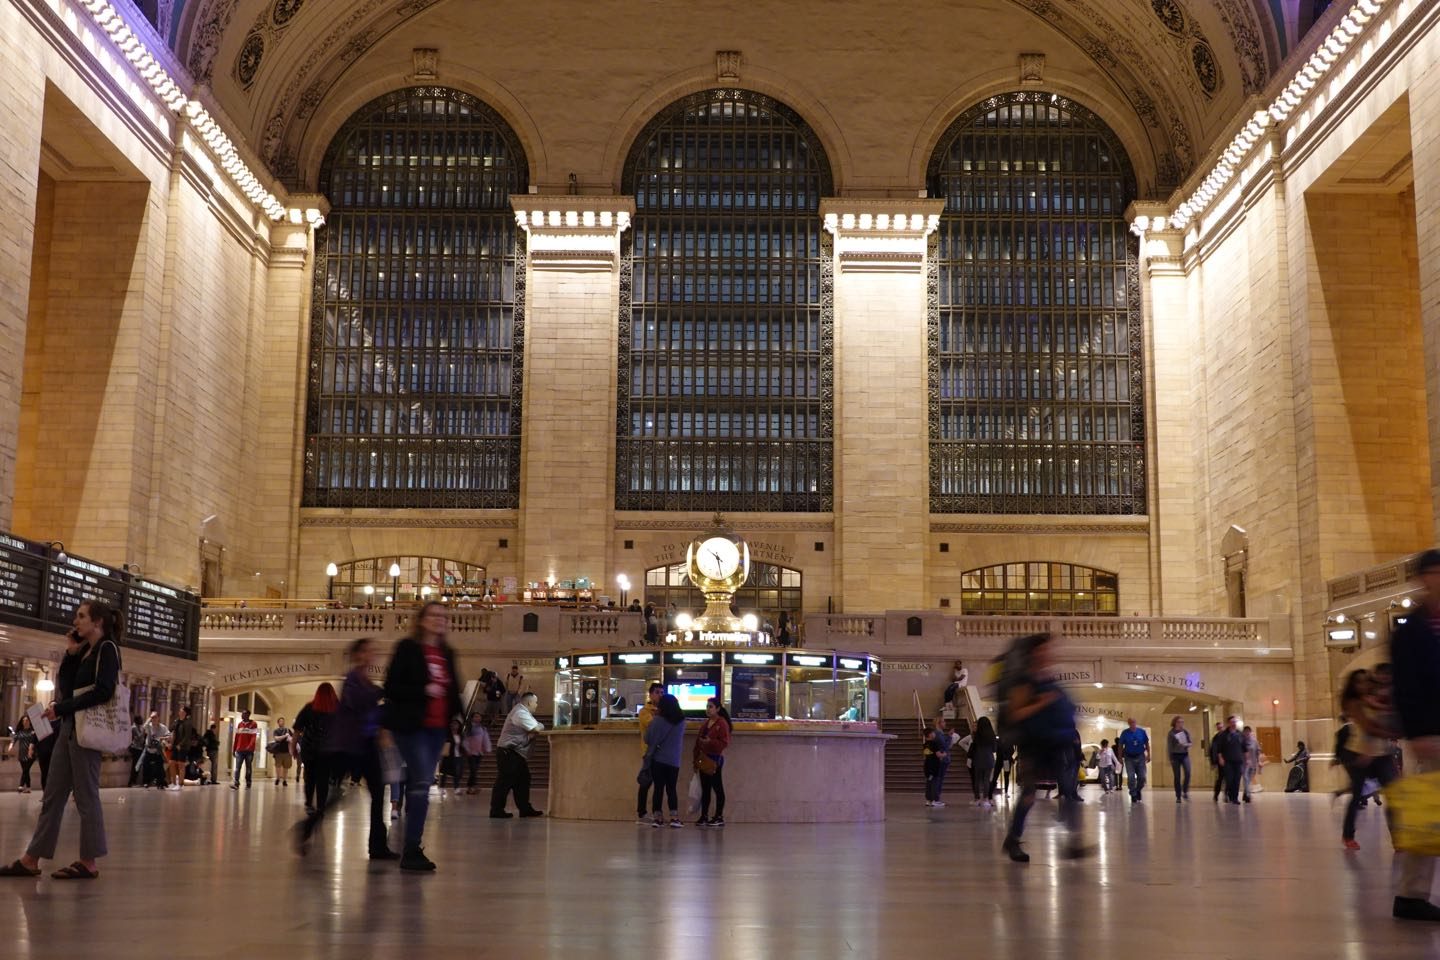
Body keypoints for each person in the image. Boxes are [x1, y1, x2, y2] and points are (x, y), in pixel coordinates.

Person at [0, 600, 123, 880]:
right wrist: (70, 652)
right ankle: (31, 859)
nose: (76, 621)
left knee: (86, 795)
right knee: (53, 795)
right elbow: (67, 689)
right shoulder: (87, 650)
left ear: (98, 622)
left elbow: (103, 692)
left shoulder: (108, 649)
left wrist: (63, 708)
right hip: (69, 728)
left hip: (86, 731)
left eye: (81, 616)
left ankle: (88, 862)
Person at [384, 601, 463, 871]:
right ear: (421, 620)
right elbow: (392, 687)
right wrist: (424, 690)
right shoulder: (408, 649)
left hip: (436, 729)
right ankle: (412, 848)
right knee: (419, 784)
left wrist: (457, 717)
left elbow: (454, 688)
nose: (439, 619)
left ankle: (412, 847)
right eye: (434, 615)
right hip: (412, 726)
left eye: (443, 615)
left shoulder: (446, 652)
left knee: (422, 785)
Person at [998, 632, 1088, 863]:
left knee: (1068, 791)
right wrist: (1041, 703)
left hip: (1058, 745)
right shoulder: (1025, 682)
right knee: (1029, 795)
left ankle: (1075, 842)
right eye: (1044, 649)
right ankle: (1013, 839)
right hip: (1034, 745)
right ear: (1033, 653)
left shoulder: (1048, 679)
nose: (1049, 653)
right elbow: (1015, 714)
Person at [1337, 668, 1397, 849]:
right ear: (1353, 685)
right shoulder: (1353, 703)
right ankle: (1348, 835)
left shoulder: (1373, 699)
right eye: (1358, 682)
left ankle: (1398, 837)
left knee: (1394, 795)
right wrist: (1390, 732)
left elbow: (1387, 713)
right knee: (1356, 796)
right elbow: (1368, 727)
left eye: (1365, 680)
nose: (1363, 685)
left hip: (1381, 753)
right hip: (1359, 753)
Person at [491, 691, 545, 819]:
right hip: (508, 753)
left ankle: (525, 808)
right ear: (529, 702)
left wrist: (537, 728)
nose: (537, 705)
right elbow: (536, 728)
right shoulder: (519, 713)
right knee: (504, 782)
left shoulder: (525, 713)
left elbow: (537, 727)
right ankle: (496, 810)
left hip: (515, 753)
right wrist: (537, 728)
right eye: (535, 702)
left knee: (523, 780)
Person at [294, 684, 339, 816]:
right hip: (327, 749)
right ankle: (321, 806)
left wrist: (293, 747)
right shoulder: (337, 709)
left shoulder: (309, 708)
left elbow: (297, 729)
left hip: (309, 748)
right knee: (323, 779)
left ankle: (309, 804)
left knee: (310, 777)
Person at [643, 693, 686, 827]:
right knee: (671, 788)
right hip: (674, 760)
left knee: (658, 788)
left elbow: (647, 739)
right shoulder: (682, 721)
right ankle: (674, 817)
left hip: (658, 759)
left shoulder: (657, 720)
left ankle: (658, 818)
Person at [695, 698, 731, 827]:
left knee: (717, 787)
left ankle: (719, 816)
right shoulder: (706, 723)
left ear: (718, 709)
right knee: (705, 789)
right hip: (704, 758)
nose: (708, 709)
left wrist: (710, 742)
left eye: (711, 707)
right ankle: (704, 815)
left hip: (715, 759)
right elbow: (698, 741)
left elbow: (724, 743)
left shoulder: (721, 724)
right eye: (707, 706)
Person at [634, 682, 663, 823]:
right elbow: (654, 726)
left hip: (662, 752)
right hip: (649, 752)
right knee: (646, 781)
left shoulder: (662, 710)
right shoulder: (645, 711)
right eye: (657, 692)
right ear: (650, 695)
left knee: (658, 783)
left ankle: (656, 812)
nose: (660, 695)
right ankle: (642, 813)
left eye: (662, 692)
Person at [1213, 715, 1246, 804]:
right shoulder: (1223, 735)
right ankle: (1229, 795)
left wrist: (1247, 759)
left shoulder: (1240, 734)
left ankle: (1234, 798)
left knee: (1237, 780)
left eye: (1235, 722)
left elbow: (1244, 748)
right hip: (1228, 761)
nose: (1234, 724)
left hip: (1238, 760)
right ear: (1228, 723)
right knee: (1229, 779)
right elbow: (1219, 748)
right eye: (1232, 722)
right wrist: (1220, 758)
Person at [1116, 717, 1150, 803]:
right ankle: (1133, 794)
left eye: (1134, 722)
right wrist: (1120, 757)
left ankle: (1138, 790)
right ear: (1128, 723)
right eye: (1130, 722)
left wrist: (1149, 754)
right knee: (1131, 777)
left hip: (1140, 757)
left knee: (1142, 777)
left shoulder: (1141, 732)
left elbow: (1146, 743)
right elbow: (1120, 746)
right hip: (1129, 757)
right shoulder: (1125, 733)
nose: (1132, 724)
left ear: (1136, 722)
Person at [970, 716, 998, 807]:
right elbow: (994, 749)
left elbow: (974, 747)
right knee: (986, 779)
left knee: (977, 780)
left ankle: (977, 799)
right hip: (989, 758)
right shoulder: (992, 735)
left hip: (978, 758)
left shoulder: (976, 734)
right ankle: (985, 799)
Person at [923, 717, 951, 808]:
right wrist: (945, 754)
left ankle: (929, 799)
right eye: (943, 721)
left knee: (930, 782)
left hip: (928, 765)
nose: (945, 723)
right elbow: (940, 753)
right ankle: (935, 799)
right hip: (935, 764)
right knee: (936, 781)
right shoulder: (936, 740)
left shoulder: (926, 744)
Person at [168, 705, 198, 789]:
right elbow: (170, 729)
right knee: (171, 763)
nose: (179, 712)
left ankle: (180, 784)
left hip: (183, 746)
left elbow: (187, 736)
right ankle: (173, 783)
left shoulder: (188, 723)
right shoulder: (177, 721)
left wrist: (180, 745)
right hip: (175, 745)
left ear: (184, 713)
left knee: (181, 764)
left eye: (181, 710)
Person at [462, 712, 492, 795]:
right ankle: (474, 786)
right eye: (475, 716)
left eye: (479, 716)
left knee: (474, 770)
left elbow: (486, 739)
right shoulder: (469, 728)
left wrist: (488, 749)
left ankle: (469, 787)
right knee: (473, 769)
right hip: (471, 753)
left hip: (479, 752)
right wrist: (467, 749)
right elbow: (465, 740)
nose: (477, 718)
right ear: (472, 718)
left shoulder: (483, 728)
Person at [139, 710, 170, 789]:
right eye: (152, 718)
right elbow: (143, 727)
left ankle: (160, 783)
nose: (154, 719)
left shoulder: (162, 727)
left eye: (155, 717)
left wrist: (162, 738)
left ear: (158, 718)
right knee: (146, 766)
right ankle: (146, 782)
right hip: (149, 749)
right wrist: (149, 718)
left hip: (157, 750)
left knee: (159, 767)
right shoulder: (149, 726)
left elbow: (169, 736)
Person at [9, 715, 38, 794]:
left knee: (25, 770)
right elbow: (14, 739)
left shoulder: (33, 731)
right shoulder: (19, 732)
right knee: (26, 771)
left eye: (27, 720)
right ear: (22, 722)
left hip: (31, 753)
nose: (25, 722)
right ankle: (28, 787)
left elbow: (36, 741)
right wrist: (10, 746)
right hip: (22, 754)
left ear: (29, 721)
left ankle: (21, 785)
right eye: (24, 720)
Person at [1167, 716, 1193, 802]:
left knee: (1188, 772)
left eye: (1182, 722)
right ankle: (1178, 796)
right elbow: (1169, 746)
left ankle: (1185, 790)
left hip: (1184, 755)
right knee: (1177, 776)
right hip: (1175, 756)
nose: (1181, 723)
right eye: (1179, 722)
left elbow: (1190, 742)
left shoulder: (1185, 731)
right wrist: (1170, 758)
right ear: (1175, 722)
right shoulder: (1171, 733)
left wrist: (1186, 745)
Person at [230, 709, 258, 788]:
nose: (242, 715)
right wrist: (234, 749)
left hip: (249, 751)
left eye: (244, 714)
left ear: (248, 715)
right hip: (239, 750)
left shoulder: (253, 724)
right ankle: (236, 782)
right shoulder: (240, 724)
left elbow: (253, 737)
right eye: (242, 714)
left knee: (248, 767)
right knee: (237, 767)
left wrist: (249, 746)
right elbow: (237, 737)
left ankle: (248, 782)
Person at [270, 716, 294, 786]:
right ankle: (278, 778)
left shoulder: (288, 730)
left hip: (287, 751)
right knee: (278, 766)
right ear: (278, 723)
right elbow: (276, 739)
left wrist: (289, 738)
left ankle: (285, 780)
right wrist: (285, 736)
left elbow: (292, 739)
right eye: (280, 721)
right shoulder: (276, 731)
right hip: (278, 751)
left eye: (283, 721)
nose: (282, 722)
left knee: (286, 767)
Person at [1241, 725, 1262, 802]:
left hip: (1253, 764)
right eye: (1245, 731)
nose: (1246, 733)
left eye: (1248, 731)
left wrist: (1259, 761)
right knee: (1245, 778)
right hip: (1244, 764)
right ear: (1243, 732)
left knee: (1249, 780)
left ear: (1250, 732)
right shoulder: (1241, 741)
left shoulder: (1254, 741)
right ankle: (1248, 795)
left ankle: (1245, 793)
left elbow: (1258, 752)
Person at [126, 714, 145, 787]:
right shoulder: (134, 727)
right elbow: (139, 737)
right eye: (140, 719)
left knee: (137, 766)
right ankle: (131, 782)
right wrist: (143, 730)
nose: (142, 721)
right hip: (135, 748)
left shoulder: (138, 727)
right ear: (137, 720)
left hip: (139, 748)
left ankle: (134, 781)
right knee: (135, 766)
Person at [1209, 721, 1225, 801]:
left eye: (1221, 727)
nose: (1220, 729)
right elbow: (1212, 751)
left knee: (1228, 779)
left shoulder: (1227, 736)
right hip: (1220, 762)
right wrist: (1213, 762)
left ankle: (1227, 795)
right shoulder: (1215, 738)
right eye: (1219, 728)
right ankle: (1216, 795)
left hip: (1228, 761)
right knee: (1220, 778)